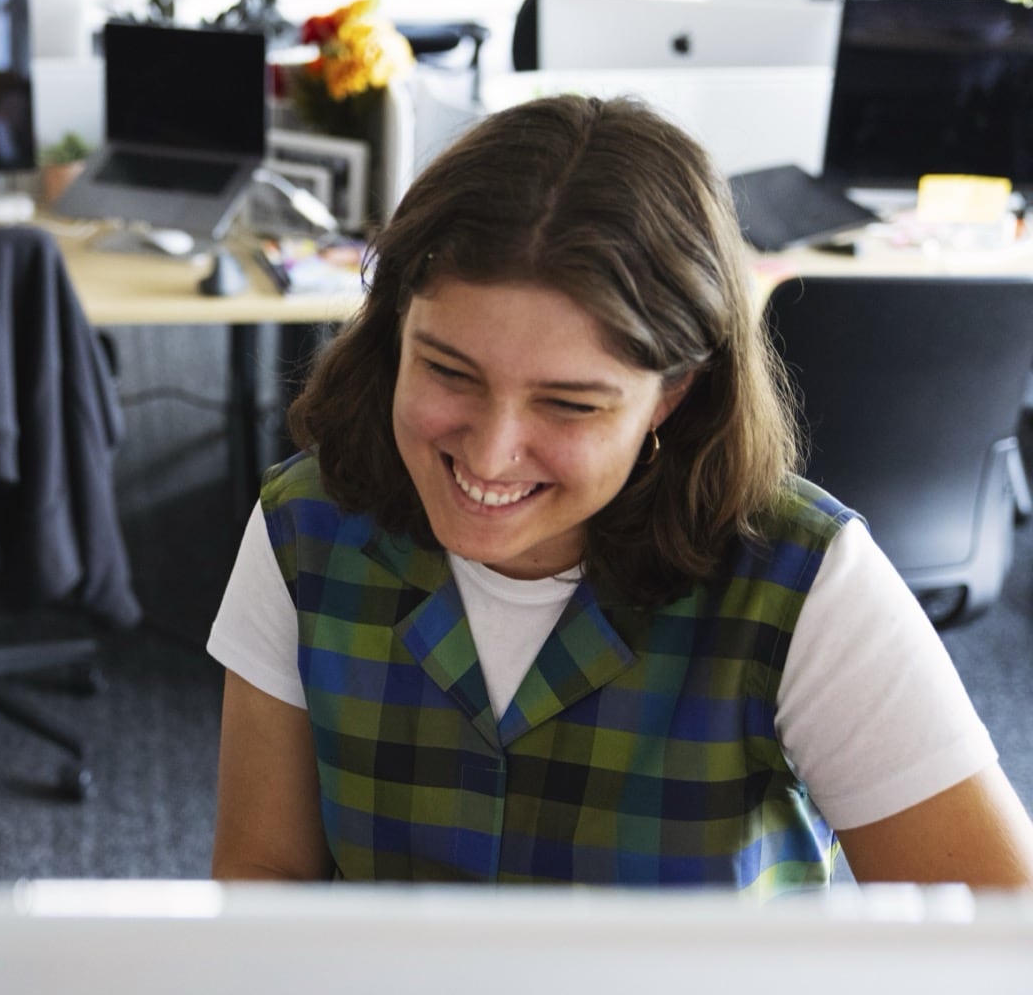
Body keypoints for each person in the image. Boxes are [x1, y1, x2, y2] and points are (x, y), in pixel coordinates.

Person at [209, 95, 1033, 892]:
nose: (491, 454)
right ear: (396, 335)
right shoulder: (306, 524)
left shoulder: (804, 582)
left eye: (570, 403)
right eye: (447, 371)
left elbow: (1000, 942)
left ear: (671, 395)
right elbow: (264, 877)